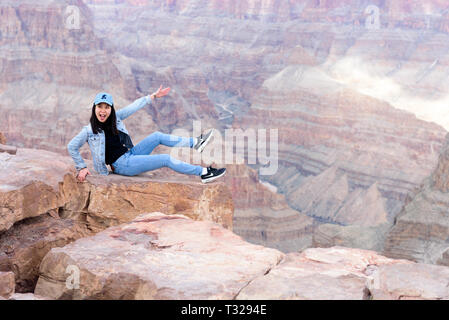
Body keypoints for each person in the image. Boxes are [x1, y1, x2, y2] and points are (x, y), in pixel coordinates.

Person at [67, 85, 226, 184]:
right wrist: (81, 167)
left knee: (157, 136)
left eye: (106, 107)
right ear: (94, 108)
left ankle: (196, 143)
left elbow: (134, 106)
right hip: (122, 165)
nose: (103, 110)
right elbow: (72, 146)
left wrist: (153, 96)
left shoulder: (115, 118)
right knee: (165, 159)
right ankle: (204, 173)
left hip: (130, 154)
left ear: (111, 109)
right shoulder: (89, 130)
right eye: (99, 107)